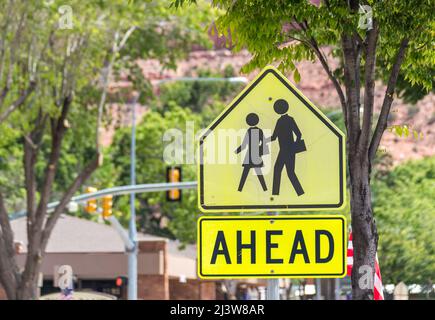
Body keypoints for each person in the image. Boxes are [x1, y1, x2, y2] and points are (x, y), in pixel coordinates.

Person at [269, 99, 305, 196]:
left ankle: (276, 193)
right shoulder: (290, 119)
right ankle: (299, 193)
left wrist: (263, 140)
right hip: (287, 151)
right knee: (287, 172)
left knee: (282, 171)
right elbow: (299, 134)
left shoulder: (280, 121)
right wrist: (294, 146)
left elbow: (273, 137)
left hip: (285, 151)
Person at [235, 113, 268, 192]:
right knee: (258, 173)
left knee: (245, 173)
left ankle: (240, 189)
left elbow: (244, 145)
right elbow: (263, 143)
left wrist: (236, 152)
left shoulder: (249, 131)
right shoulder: (259, 131)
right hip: (256, 155)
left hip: (250, 155)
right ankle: (265, 189)